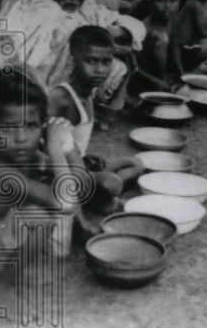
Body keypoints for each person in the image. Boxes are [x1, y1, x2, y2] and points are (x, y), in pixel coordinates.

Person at [0, 70, 78, 298]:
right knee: (36, 216)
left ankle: (2, 283)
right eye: (8, 127)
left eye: (31, 126)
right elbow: (66, 203)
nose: (20, 138)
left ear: (43, 127)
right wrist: (55, 148)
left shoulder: (26, 156)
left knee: (38, 211)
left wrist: (66, 143)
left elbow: (75, 183)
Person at [48, 26, 144, 217]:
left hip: (81, 166)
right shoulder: (62, 98)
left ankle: (99, 198)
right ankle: (101, 201)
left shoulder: (88, 92)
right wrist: (79, 170)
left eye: (106, 62)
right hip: (62, 175)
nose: (100, 70)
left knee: (136, 164)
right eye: (91, 61)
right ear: (73, 58)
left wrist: (86, 157)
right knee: (112, 183)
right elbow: (51, 149)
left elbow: (109, 117)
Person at [95, 16, 146, 126]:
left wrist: (110, 114)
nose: (117, 46)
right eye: (116, 40)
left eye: (123, 43)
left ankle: (102, 111)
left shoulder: (124, 64)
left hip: (103, 96)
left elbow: (121, 91)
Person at [136, 0, 184, 93]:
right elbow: (134, 68)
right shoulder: (144, 28)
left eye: (173, 0)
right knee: (161, 38)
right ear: (152, 1)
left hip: (161, 76)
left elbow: (174, 48)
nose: (167, 5)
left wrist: (182, 74)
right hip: (143, 78)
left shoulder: (172, 20)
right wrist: (156, 81)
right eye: (161, 0)